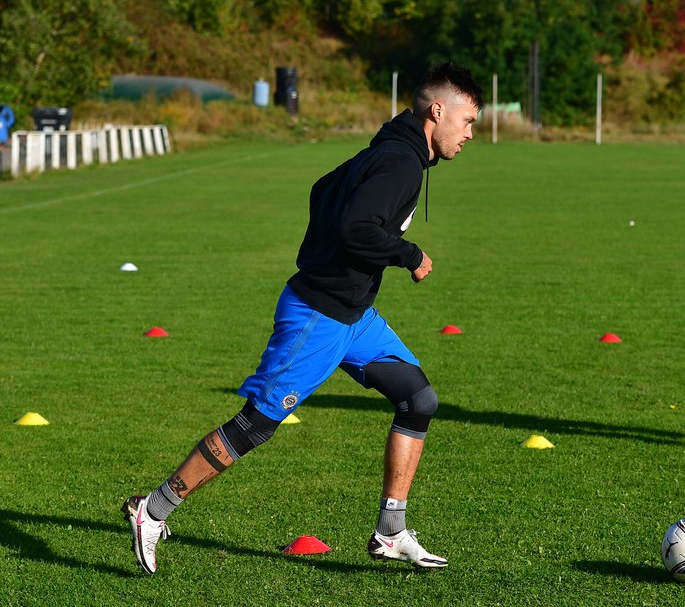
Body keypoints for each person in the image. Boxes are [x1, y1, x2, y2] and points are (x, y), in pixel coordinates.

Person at [123, 62, 484, 573]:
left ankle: (390, 530)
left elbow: (323, 188)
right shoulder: (400, 162)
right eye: (467, 121)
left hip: (355, 318)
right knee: (255, 425)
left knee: (417, 398)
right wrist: (409, 255)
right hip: (319, 316)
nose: (470, 134)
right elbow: (356, 227)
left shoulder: (394, 148)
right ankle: (152, 510)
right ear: (437, 110)